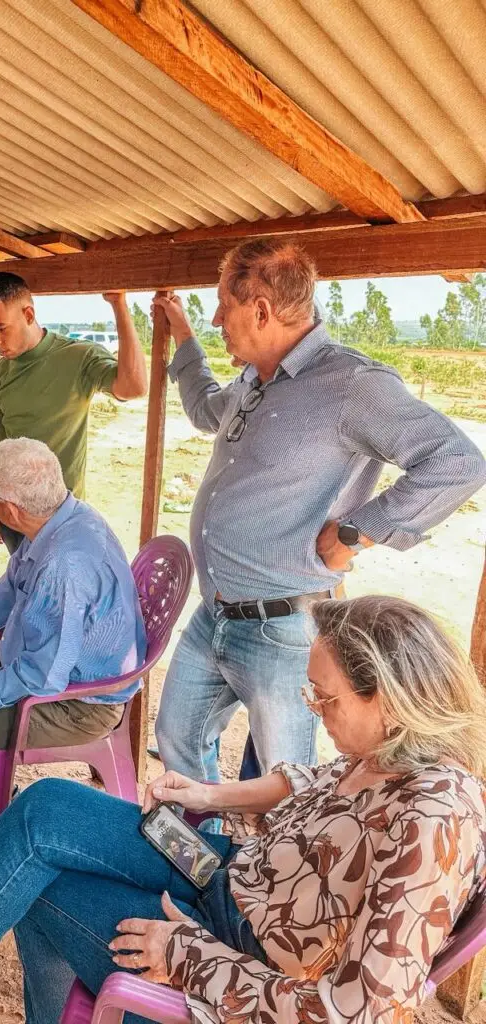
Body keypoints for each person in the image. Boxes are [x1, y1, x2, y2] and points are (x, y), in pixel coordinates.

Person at [0, 595, 486, 1024]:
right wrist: (208, 795)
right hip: (232, 878)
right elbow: (307, 783)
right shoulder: (391, 751)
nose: (316, 711)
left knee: (36, 888)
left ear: (391, 699)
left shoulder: (431, 825)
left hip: (243, 956)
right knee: (45, 809)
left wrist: (188, 957)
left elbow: (356, 1011)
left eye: (326, 699)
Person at [151, 238, 486, 788]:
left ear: (260, 310)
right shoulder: (253, 382)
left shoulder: (351, 385)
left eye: (222, 306)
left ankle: (271, 874)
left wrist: (359, 531)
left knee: (291, 786)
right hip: (214, 613)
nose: (216, 319)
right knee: (179, 744)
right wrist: (184, 335)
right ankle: (202, 869)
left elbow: (456, 462)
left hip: (284, 628)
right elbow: (202, 407)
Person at [0, 437, 146, 886]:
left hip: (77, 701)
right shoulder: (62, 520)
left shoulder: (66, 564)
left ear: (9, 509)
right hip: (45, 661)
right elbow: (15, 580)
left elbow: (44, 676)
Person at [0, 272, 147, 552]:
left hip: (58, 517)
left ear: (28, 314)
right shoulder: (0, 372)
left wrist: (119, 305)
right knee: (24, 589)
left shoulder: (78, 357)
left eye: (1, 328)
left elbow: (133, 387)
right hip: (12, 517)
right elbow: (1, 447)